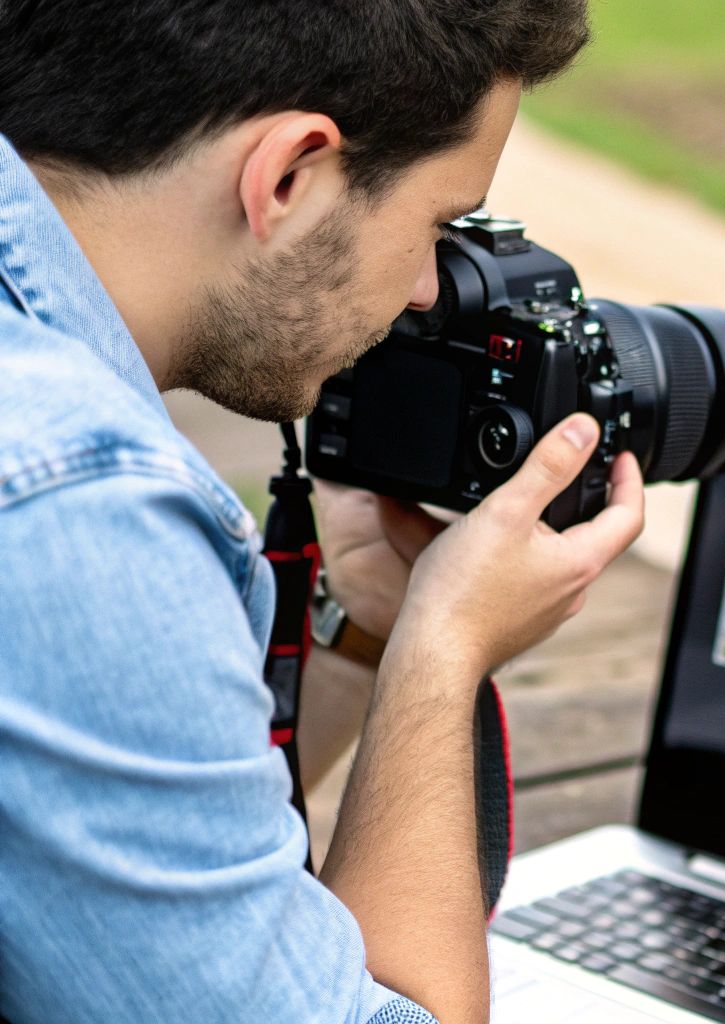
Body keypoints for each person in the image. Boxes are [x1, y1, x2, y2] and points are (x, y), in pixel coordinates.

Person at [0, 4, 642, 1023]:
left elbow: (139, 845)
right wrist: (444, 648)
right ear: (290, 174)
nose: (432, 289)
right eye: (440, 223)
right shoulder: (78, 503)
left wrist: (365, 627)